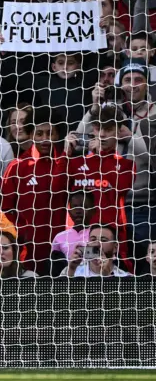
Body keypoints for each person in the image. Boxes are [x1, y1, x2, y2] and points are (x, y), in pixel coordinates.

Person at [58, 106, 136, 272]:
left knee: (109, 283)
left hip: (109, 240)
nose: (101, 135)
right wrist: (66, 153)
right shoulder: (75, 163)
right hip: (77, 238)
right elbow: (55, 188)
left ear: (119, 131)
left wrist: (100, 158)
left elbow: (120, 188)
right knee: (77, 283)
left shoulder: (127, 165)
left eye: (107, 130)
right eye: (98, 128)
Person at [0, 107, 67, 273]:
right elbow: (5, 210)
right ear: (30, 135)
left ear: (57, 135)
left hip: (63, 251)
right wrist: (23, 233)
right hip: (28, 252)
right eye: (39, 133)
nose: (45, 139)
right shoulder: (17, 167)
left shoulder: (67, 163)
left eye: (50, 133)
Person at [50, 191, 96, 276]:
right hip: (67, 281)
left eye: (83, 206)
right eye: (74, 207)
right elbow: (55, 267)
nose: (78, 211)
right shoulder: (59, 237)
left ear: (93, 210)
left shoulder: (98, 234)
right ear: (69, 211)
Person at [61, 224, 132, 277]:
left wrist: (107, 275)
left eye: (103, 240)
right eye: (93, 239)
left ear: (115, 248)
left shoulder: (125, 277)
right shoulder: (71, 269)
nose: (97, 244)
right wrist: (71, 270)